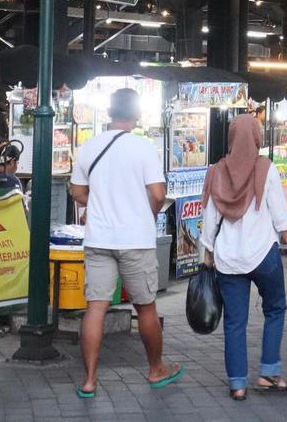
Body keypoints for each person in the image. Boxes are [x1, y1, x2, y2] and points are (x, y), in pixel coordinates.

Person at [70, 87, 181, 397]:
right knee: (145, 307)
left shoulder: (89, 147)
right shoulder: (143, 148)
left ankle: (90, 380)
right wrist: (146, 213)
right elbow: (158, 194)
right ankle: (156, 369)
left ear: (109, 112)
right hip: (135, 238)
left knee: (95, 309)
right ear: (136, 114)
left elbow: (77, 192)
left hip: (99, 238)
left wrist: (98, 204)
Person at [199, 114, 287, 401]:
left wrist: (207, 254)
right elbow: (281, 217)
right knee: (275, 308)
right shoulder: (265, 169)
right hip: (262, 255)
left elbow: (209, 220)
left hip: (228, 259)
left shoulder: (216, 171)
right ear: (256, 137)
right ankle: (269, 373)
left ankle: (238, 384)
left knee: (234, 321)